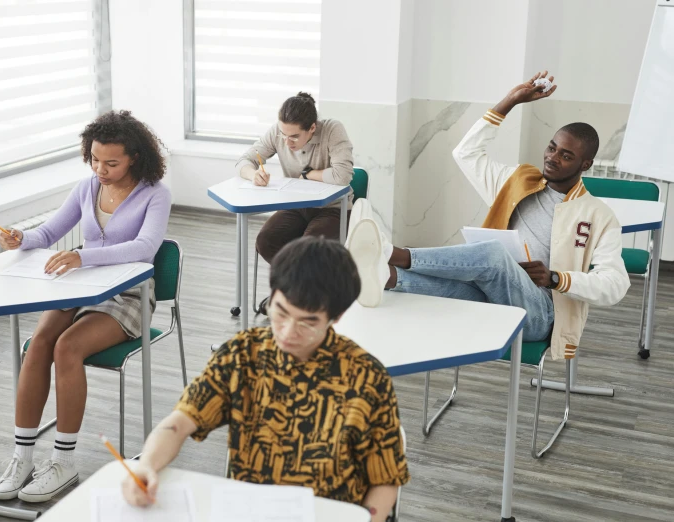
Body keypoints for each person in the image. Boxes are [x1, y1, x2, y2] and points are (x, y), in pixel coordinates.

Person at [346, 72, 630, 361]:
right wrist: (509, 102)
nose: (552, 157)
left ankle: (392, 253)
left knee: (492, 255)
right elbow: (465, 153)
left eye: (566, 156)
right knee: (458, 287)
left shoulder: (598, 214)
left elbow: (616, 284)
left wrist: (557, 278)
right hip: (495, 294)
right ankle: (385, 276)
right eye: (551, 147)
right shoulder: (518, 181)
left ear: (586, 164)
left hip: (540, 314)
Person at [122, 237, 409, 522]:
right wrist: (146, 465)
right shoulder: (243, 355)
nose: (287, 332)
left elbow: (385, 478)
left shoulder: (366, 377)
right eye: (280, 313)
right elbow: (181, 421)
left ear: (337, 316)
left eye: (307, 323)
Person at [0, 110, 172, 502]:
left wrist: (83, 256)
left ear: (134, 158)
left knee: (67, 348)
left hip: (130, 293)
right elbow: (50, 231)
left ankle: (64, 461)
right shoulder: (86, 188)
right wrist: (21, 236)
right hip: (82, 285)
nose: (100, 169)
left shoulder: (155, 194)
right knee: (39, 343)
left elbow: (145, 249)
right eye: (94, 159)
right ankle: (22, 456)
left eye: (111, 162)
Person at [237, 92, 355, 314]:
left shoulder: (332, 130)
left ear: (312, 128)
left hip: (333, 209)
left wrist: (308, 173)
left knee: (307, 248)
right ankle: (297, 295)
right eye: (283, 134)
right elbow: (244, 160)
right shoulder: (280, 132)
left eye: (293, 137)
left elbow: (343, 176)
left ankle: (291, 300)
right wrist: (252, 174)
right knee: (266, 240)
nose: (286, 141)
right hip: (297, 206)